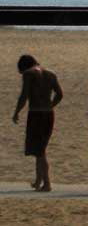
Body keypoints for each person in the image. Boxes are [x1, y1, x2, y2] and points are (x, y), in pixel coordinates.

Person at [12, 55, 63, 192]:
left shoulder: (29, 74)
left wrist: (17, 112)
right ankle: (38, 180)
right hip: (48, 114)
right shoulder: (51, 74)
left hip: (36, 114)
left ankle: (47, 183)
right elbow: (59, 94)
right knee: (39, 148)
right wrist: (51, 105)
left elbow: (24, 95)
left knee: (40, 151)